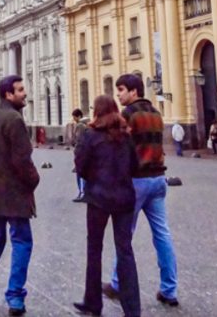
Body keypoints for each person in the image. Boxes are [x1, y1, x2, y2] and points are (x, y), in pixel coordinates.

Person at [105, 74, 180, 308]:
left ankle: (117, 284)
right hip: (158, 179)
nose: (118, 94)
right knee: (162, 234)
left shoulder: (128, 115)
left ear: (134, 91)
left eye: (122, 89)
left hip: (137, 181)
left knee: (124, 234)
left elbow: (117, 147)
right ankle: (170, 289)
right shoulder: (156, 114)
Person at [0, 75, 40, 316]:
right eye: (20, 90)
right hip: (15, 191)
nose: (25, 93)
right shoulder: (14, 119)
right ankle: (15, 297)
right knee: (22, 241)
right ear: (8, 94)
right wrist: (34, 180)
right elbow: (22, 159)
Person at [73, 95, 142, 317]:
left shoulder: (90, 135)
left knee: (94, 249)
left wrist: (95, 178)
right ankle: (132, 309)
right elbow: (135, 166)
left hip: (98, 199)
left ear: (97, 112)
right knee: (125, 251)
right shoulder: (126, 136)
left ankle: (93, 303)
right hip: (124, 199)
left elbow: (81, 167)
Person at [68, 109, 88, 202]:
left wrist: (74, 143)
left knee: (80, 174)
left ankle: (82, 193)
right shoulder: (85, 124)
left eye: (75, 116)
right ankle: (84, 192)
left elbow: (79, 139)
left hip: (80, 153)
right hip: (83, 153)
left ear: (79, 116)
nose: (74, 118)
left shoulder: (80, 125)